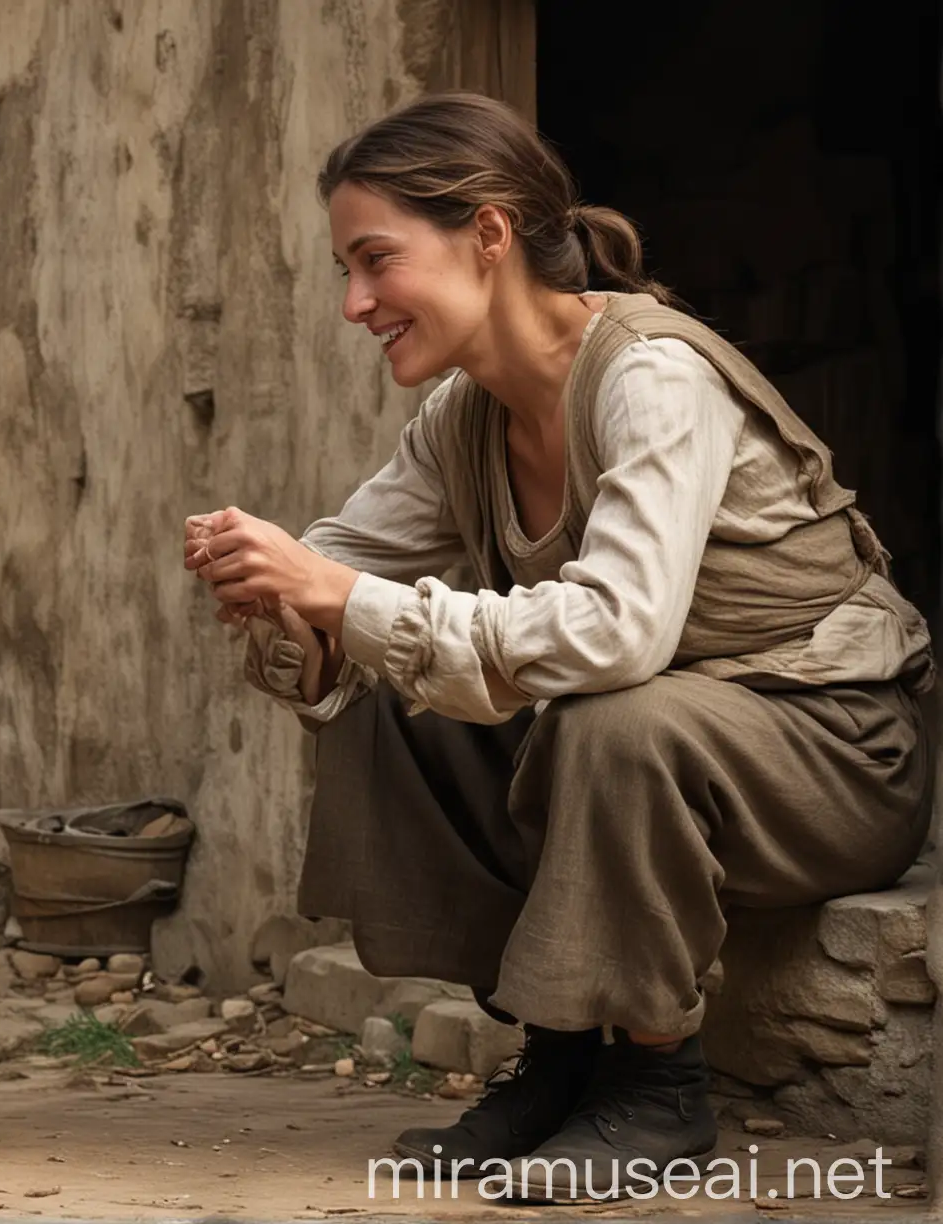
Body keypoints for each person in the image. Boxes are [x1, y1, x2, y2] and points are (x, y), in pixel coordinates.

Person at [183, 93, 931, 1197]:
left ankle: (658, 1086)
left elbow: (620, 633)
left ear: (488, 235)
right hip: (679, 745)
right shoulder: (462, 417)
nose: (355, 302)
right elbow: (342, 560)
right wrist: (279, 592)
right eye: (347, 268)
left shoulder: (651, 376)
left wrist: (337, 591)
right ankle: (560, 1052)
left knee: (613, 717)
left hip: (833, 754)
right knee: (399, 689)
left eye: (376, 261)